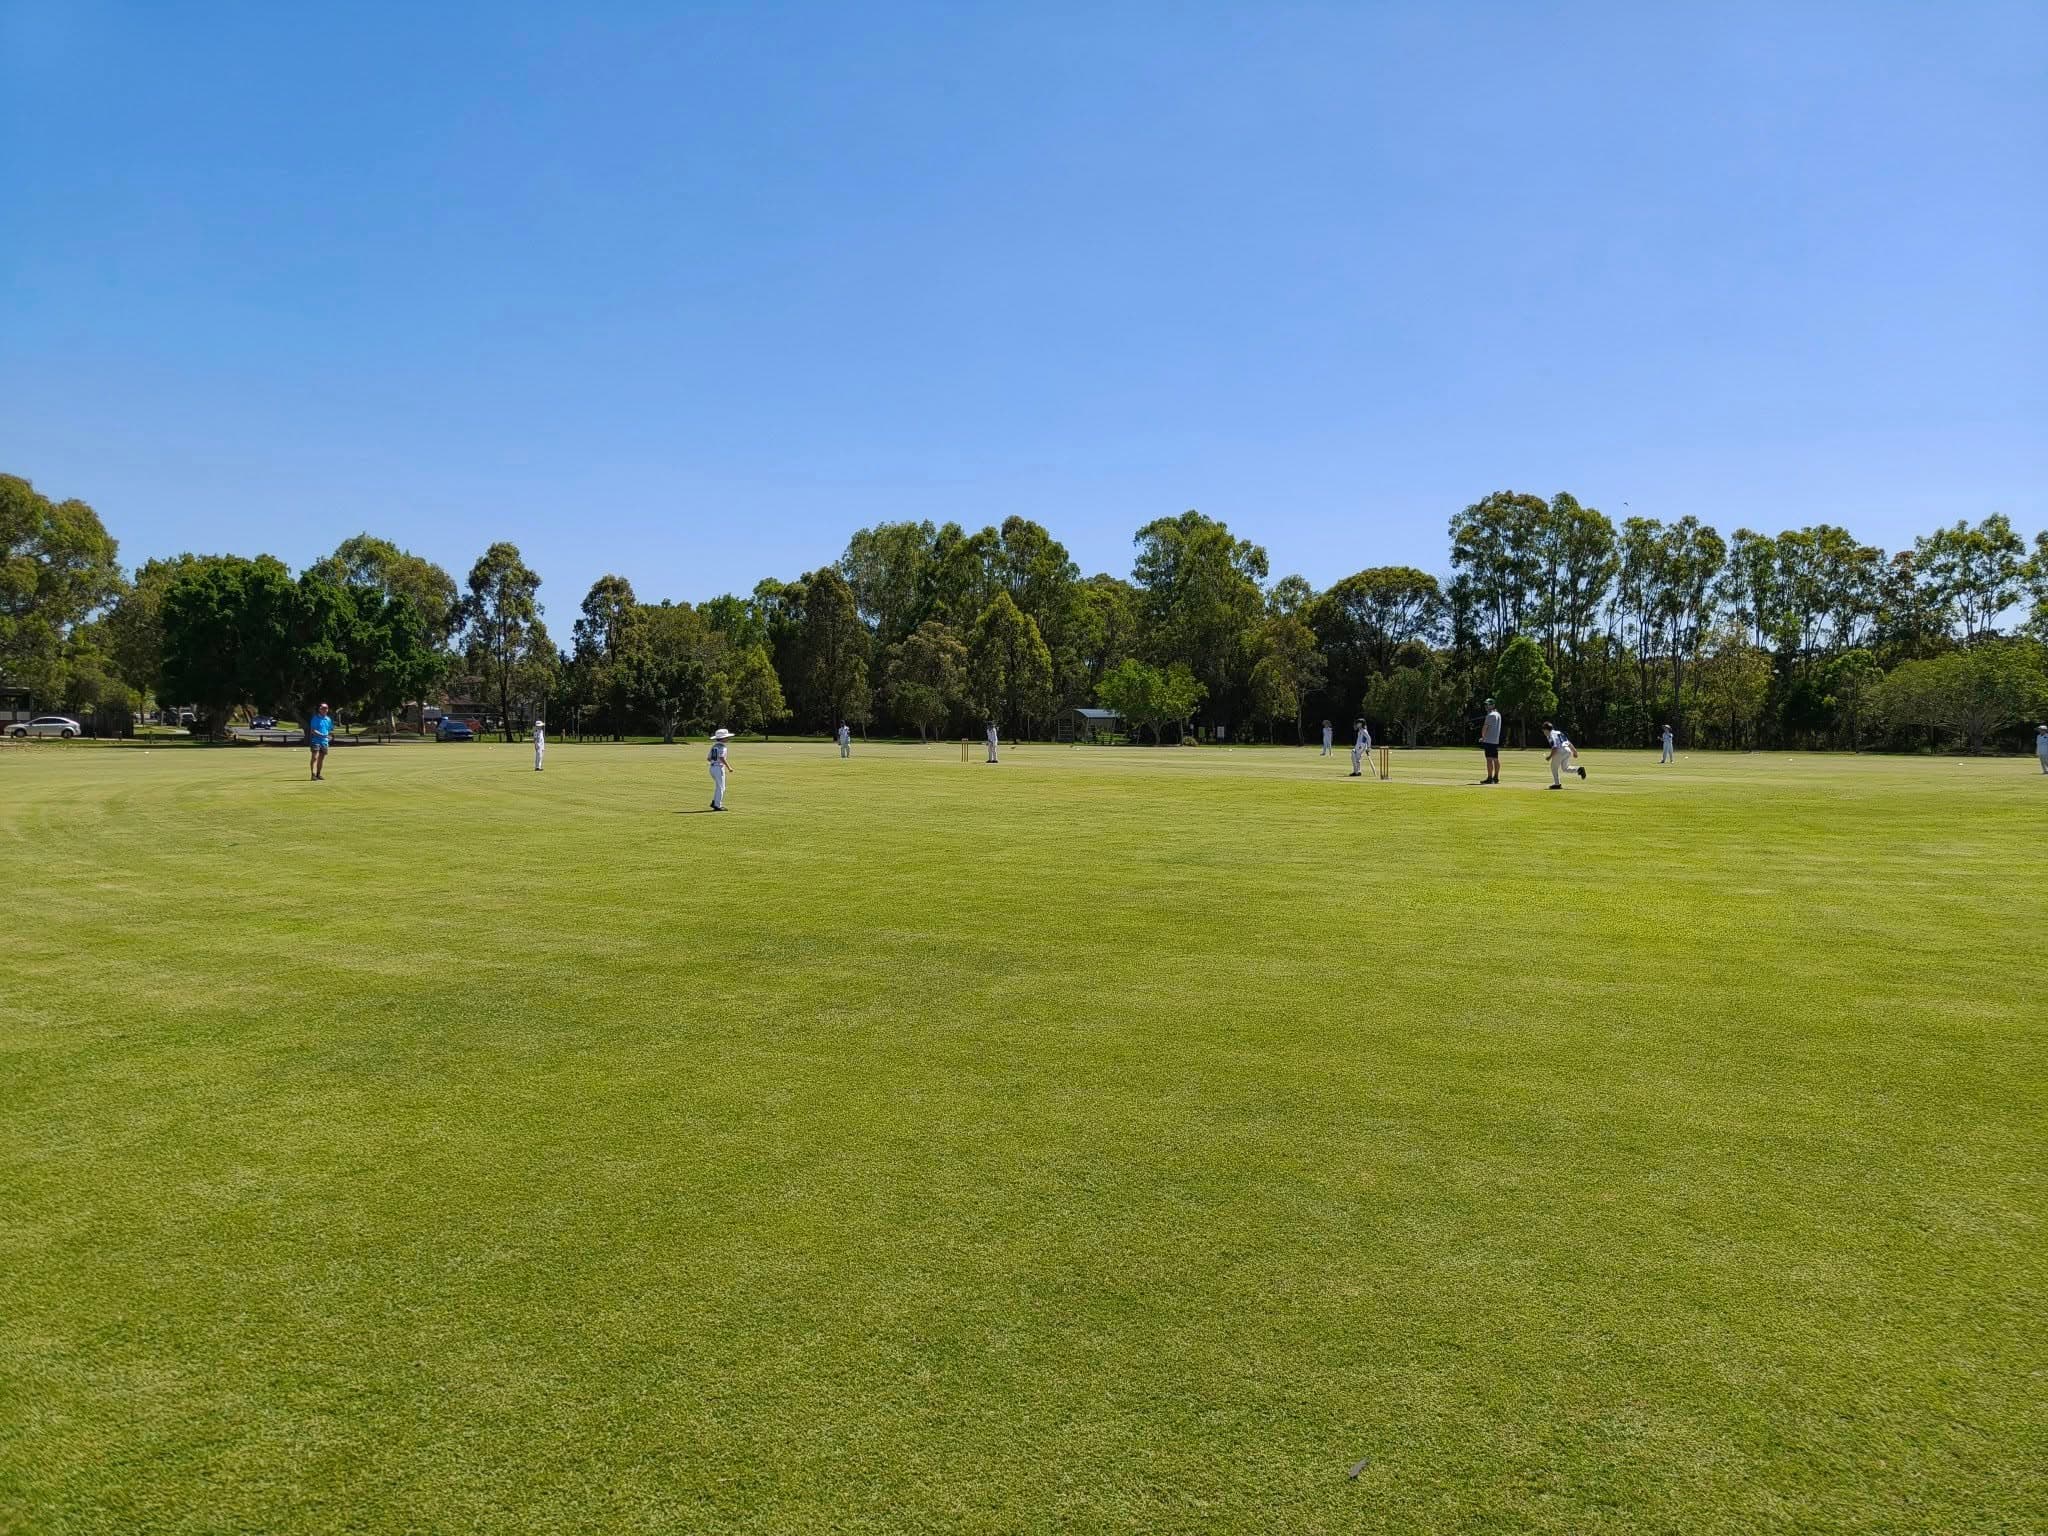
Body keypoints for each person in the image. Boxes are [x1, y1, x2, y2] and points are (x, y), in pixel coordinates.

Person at [1543, 720, 1586, 788]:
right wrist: (1574, 751)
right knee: (1565, 768)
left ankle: (1557, 784)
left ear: (1546, 730)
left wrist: (1549, 757)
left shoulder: (1550, 735)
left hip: (1560, 751)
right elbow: (1568, 742)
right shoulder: (1559, 732)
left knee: (1553, 767)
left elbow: (1555, 747)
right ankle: (1579, 769)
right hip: (1567, 750)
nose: (1543, 732)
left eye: (1544, 730)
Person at [707, 727, 734, 810]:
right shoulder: (723, 747)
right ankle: (717, 805)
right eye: (727, 737)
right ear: (723, 738)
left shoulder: (714, 746)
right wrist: (729, 767)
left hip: (712, 768)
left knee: (719, 786)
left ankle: (715, 801)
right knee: (721, 787)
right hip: (718, 768)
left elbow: (708, 758)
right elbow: (722, 757)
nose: (728, 738)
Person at [308, 703, 333, 781]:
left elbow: (329, 730)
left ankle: (318, 774)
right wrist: (323, 735)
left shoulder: (328, 719)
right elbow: (313, 730)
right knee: (315, 757)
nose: (325, 710)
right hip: (315, 740)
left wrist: (329, 736)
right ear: (320, 709)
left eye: (326, 708)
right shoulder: (315, 718)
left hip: (324, 742)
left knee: (321, 759)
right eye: (323, 708)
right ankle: (313, 775)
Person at [1479, 698, 1502, 784]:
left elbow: (1485, 728)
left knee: (1489, 759)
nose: (1486, 706)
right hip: (1495, 740)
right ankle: (1496, 777)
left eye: (1488, 704)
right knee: (1495, 759)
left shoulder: (1490, 715)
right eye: (1486, 704)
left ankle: (1489, 778)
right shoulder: (1498, 714)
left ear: (1493, 705)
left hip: (1489, 740)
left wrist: (1483, 737)